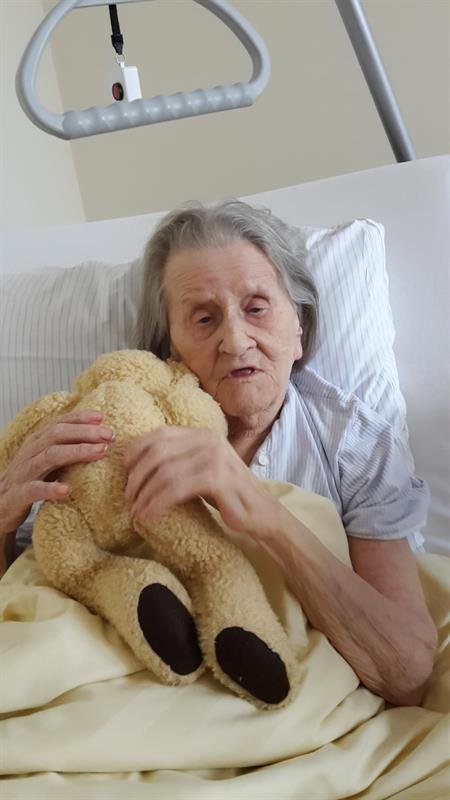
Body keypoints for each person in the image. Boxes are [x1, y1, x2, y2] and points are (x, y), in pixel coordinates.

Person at [0, 201, 437, 707]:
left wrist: (260, 511)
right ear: (168, 348)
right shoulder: (107, 429)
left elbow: (406, 674)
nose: (235, 339)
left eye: (256, 308)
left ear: (298, 327)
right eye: (204, 319)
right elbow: (36, 596)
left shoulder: (355, 443)